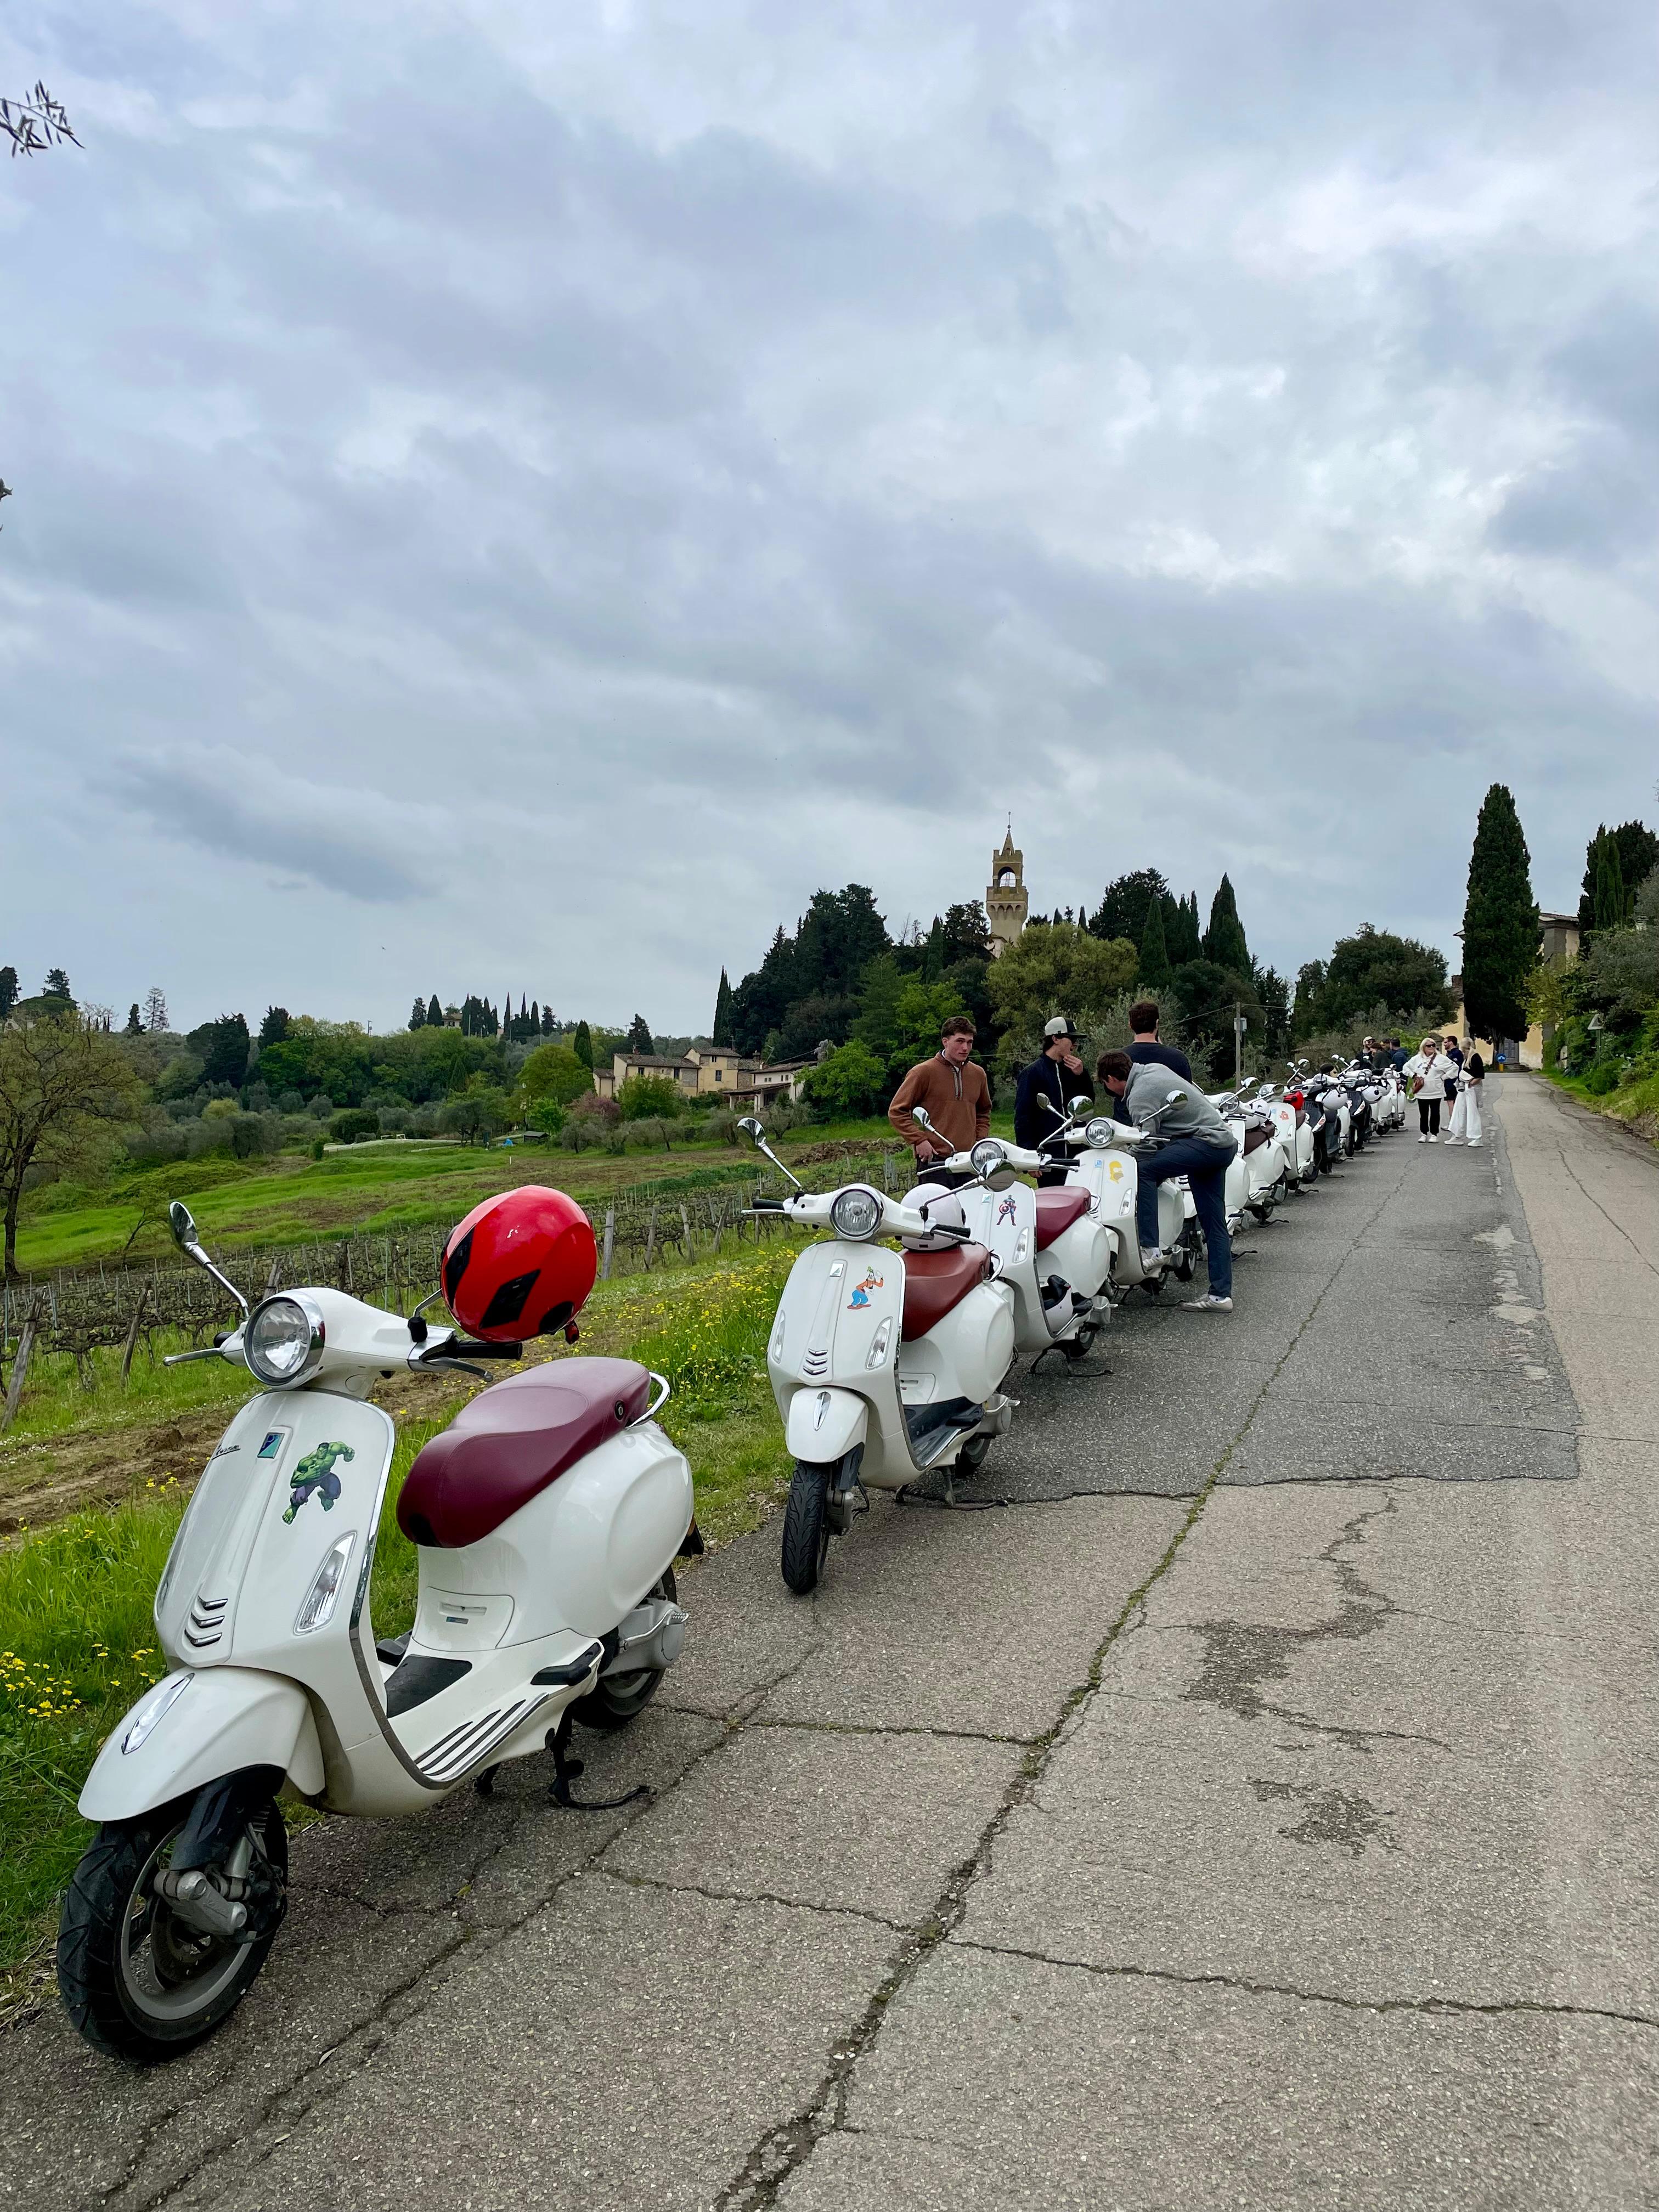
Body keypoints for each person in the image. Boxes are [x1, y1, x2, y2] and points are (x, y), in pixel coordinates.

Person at [1098, 1048, 1234, 1313]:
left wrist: (1123, 1157)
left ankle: (1151, 1250)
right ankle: (1220, 1297)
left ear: (1112, 1079)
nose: (1108, 1089)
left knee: (1144, 1170)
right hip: (1220, 1142)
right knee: (1214, 1223)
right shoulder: (1153, 1070)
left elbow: (1147, 1146)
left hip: (1204, 1144)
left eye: (1105, 1083)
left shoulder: (1139, 1095)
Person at [889, 1014, 992, 1186]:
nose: (965, 1047)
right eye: (960, 1041)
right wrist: (919, 1139)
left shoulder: (978, 1074)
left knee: (972, 1211)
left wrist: (980, 1143)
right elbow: (897, 1111)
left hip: (969, 1162)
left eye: (970, 1042)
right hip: (936, 1161)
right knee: (937, 1212)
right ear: (945, 1041)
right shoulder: (923, 1072)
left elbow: (983, 1111)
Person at [1014, 1017, 1093, 1178]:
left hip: (1078, 1154)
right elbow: (1023, 1118)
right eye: (1071, 1039)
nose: (1075, 1045)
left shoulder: (1075, 1070)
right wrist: (1029, 1157)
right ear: (1055, 1039)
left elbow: (1088, 1105)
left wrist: (1082, 1076)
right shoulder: (1032, 1073)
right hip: (1049, 1155)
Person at [1403, 1035, 1449, 1141]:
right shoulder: (1416, 1059)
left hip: (1436, 1090)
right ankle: (1424, 1133)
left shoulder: (1441, 1058)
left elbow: (1454, 1068)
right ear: (1424, 1047)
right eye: (1429, 1046)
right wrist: (1414, 1075)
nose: (1432, 1047)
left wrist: (1444, 1077)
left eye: (1433, 1045)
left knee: (1435, 1113)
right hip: (1422, 1091)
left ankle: (1434, 1134)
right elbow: (1405, 1068)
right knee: (1423, 1114)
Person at [1447, 1049, 1485, 1146]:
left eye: (1464, 1051)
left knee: (1473, 1112)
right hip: (1464, 1086)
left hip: (1471, 1086)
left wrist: (1472, 1083)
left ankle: (1477, 1137)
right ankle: (1457, 1135)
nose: (1463, 1053)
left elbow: (1480, 1074)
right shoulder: (1466, 1059)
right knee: (1458, 1109)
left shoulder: (1475, 1057)